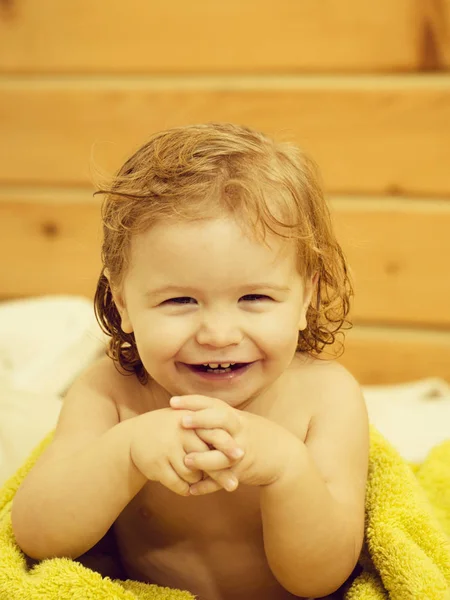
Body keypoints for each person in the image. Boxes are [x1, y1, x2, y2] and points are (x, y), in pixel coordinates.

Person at [11, 123, 369, 600]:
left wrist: (287, 469)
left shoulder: (324, 397)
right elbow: (37, 535)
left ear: (306, 298)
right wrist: (125, 452)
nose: (218, 335)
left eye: (255, 297)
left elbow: (320, 579)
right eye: (180, 301)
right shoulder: (111, 393)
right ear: (124, 304)